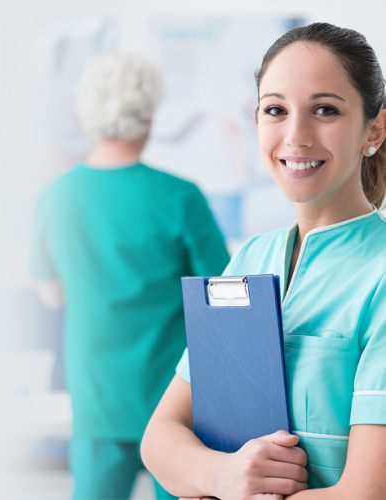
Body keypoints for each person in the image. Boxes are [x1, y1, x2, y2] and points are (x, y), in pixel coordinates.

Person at [141, 22, 386, 499]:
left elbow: (368, 493)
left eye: (325, 110)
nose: (296, 135)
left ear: (373, 129)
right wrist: (224, 476)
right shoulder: (252, 258)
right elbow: (160, 439)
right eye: (275, 110)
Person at [30, 52, 230, 500]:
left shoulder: (55, 197)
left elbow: (51, 294)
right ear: (148, 117)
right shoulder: (180, 197)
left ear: (84, 117)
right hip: (174, 407)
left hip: (96, 398)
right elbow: (222, 299)